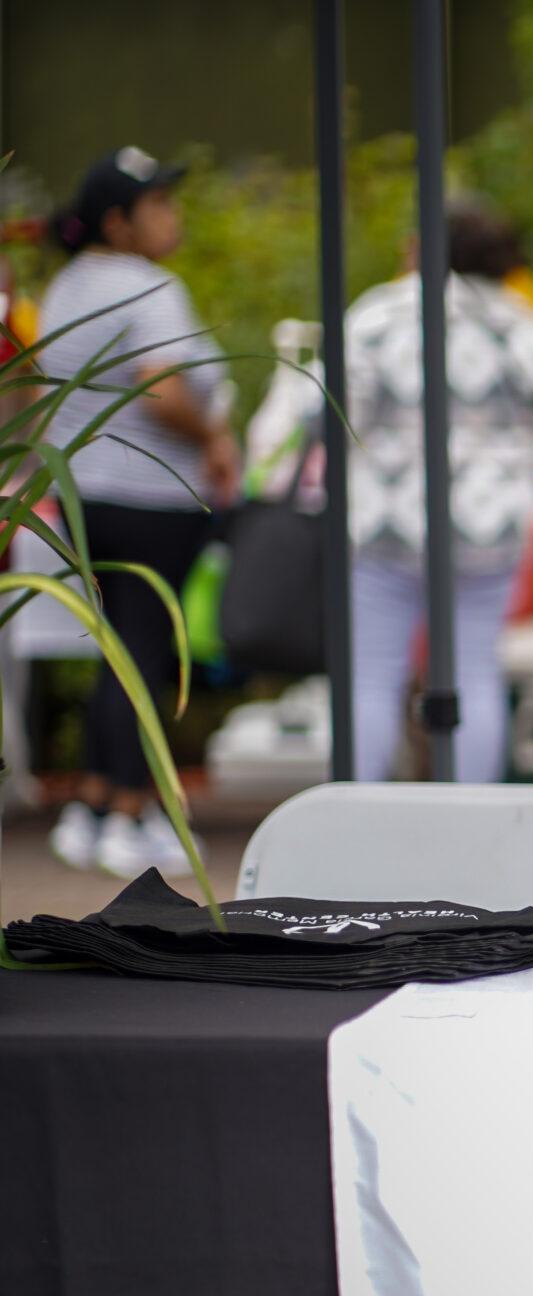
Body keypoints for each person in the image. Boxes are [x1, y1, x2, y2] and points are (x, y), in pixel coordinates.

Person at [39, 147, 239, 879]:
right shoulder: (149, 287)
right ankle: (131, 808)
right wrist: (215, 435)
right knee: (144, 650)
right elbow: (162, 388)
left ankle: (92, 804)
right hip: (153, 495)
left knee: (116, 649)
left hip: (83, 497)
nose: (173, 216)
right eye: (158, 204)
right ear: (118, 222)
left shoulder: (64, 288)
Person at [342, 199, 533, 783]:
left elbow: (330, 413)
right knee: (475, 669)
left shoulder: (377, 315)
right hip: (489, 525)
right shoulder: (525, 325)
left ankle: (355, 810)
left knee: (372, 675)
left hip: (383, 521)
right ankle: (473, 814)